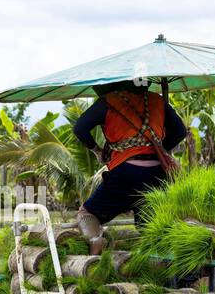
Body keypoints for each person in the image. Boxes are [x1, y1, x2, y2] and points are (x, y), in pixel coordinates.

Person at [71, 81, 187, 252]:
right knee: (149, 225)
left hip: (126, 170)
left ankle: (95, 240)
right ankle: (159, 262)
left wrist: (96, 150)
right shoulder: (158, 101)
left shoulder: (109, 101)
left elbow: (80, 128)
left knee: (87, 213)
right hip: (157, 173)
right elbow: (180, 131)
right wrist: (161, 150)